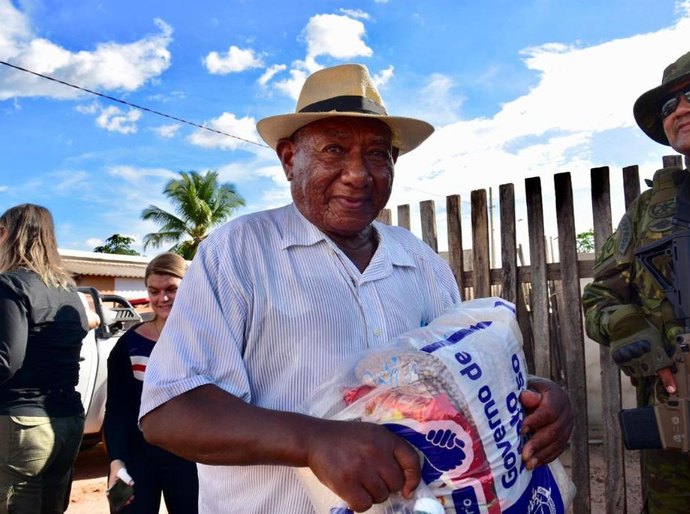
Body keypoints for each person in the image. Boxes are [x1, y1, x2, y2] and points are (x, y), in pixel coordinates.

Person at [139, 63, 574, 513]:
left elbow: (456, 380)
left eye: (376, 154)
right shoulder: (238, 251)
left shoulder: (420, 261)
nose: (358, 174)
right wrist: (312, 441)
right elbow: (170, 411)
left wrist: (538, 398)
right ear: (290, 159)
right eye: (333, 149)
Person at [583, 50, 690, 513]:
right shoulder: (652, 209)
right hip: (677, 409)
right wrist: (635, 334)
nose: (680, 110)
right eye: (669, 106)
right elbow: (599, 296)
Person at [0, 204, 90, 514]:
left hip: (22, 426)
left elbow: (5, 360)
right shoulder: (68, 291)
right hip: (67, 421)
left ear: (6, 234)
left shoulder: (10, 285)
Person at [103, 252, 198, 513]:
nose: (162, 298)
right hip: (139, 456)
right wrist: (116, 463)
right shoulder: (129, 344)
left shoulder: (204, 339)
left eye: (171, 289)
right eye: (154, 291)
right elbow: (118, 410)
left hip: (191, 458)